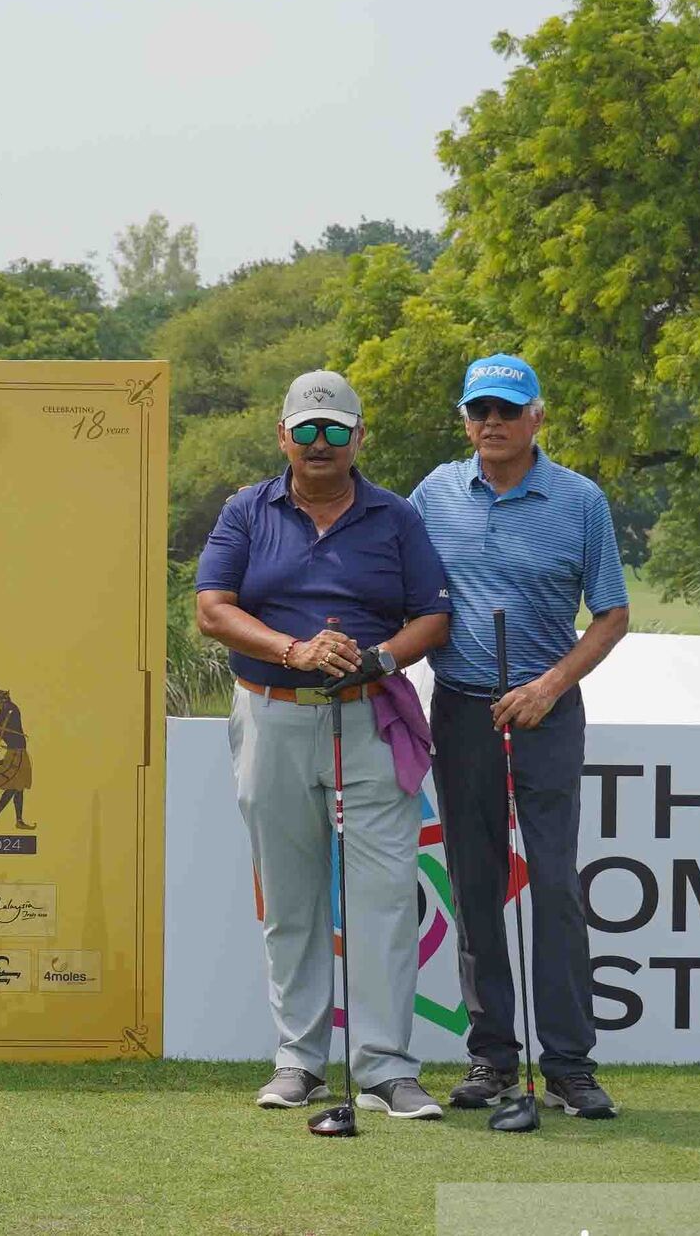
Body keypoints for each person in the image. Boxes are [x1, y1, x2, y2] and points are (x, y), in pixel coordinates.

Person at [196, 370, 453, 1120]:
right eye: (305, 430)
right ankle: (299, 1061)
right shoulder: (248, 510)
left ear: (358, 438)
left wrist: (380, 658)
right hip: (272, 713)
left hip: (371, 716)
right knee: (291, 897)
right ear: (282, 435)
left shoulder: (396, 518)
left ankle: (386, 1069)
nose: (319, 444)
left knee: (382, 897)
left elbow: (433, 618)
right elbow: (214, 609)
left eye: (334, 430)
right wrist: (293, 650)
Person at [410, 354, 629, 1120]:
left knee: (557, 885)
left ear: (537, 414)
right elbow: (392, 575)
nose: (492, 424)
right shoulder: (434, 493)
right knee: (475, 883)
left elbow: (611, 614)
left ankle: (569, 1064)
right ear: (466, 419)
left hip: (545, 709)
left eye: (506, 410)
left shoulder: (579, 500)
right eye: (480, 411)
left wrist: (549, 686)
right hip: (464, 709)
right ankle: (492, 1058)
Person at [0, 685, 33, 830]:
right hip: (16, 753)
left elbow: (7, 709)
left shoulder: (11, 710)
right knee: (14, 788)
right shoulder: (0, 716)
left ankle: (18, 820)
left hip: (19, 753)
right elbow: (2, 716)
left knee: (18, 788)